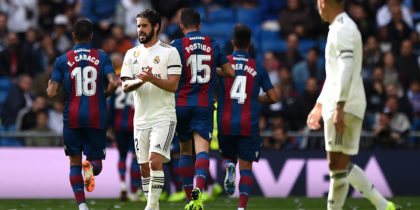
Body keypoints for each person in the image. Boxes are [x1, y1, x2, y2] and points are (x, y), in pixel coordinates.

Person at [306, 1, 399, 210]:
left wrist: (339, 106)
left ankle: (380, 205)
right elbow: (334, 75)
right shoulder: (338, 28)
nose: (317, 8)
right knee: (339, 165)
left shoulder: (343, 29)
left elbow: (347, 68)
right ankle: (383, 205)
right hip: (339, 103)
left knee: (337, 167)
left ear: (323, 3)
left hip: (344, 105)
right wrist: (319, 105)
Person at [46, 19, 119, 210]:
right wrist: (104, 96)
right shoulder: (102, 57)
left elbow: (52, 92)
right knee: (97, 164)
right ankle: (91, 167)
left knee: (74, 162)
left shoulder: (62, 60)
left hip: (73, 117)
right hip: (96, 115)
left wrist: (52, 86)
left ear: (73, 36)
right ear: (92, 36)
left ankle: (82, 206)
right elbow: (114, 82)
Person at [170, 8, 235, 209]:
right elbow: (230, 72)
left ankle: (190, 198)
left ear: (181, 26)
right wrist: (210, 72)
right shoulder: (212, 44)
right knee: (202, 151)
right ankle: (199, 194)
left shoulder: (175, 45)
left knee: (184, 151)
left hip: (180, 104)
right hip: (203, 104)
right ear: (200, 25)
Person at [120, 9, 182, 210]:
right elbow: (125, 86)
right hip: (141, 119)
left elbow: (173, 86)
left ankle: (151, 207)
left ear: (156, 26)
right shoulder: (132, 53)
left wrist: (151, 78)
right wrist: (140, 80)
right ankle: (153, 206)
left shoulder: (170, 52)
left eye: (144, 25)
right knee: (144, 167)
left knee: (155, 161)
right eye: (138, 26)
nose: (140, 30)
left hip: (163, 116)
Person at [217, 24, 277, 210]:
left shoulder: (223, 65)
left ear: (232, 42)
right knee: (246, 167)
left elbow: (211, 87)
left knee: (227, 157)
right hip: (248, 123)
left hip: (225, 121)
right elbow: (274, 97)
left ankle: (228, 165)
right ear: (250, 44)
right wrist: (256, 97)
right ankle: (241, 207)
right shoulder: (257, 68)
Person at [108, 53, 142, 202]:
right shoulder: (139, 79)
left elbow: (110, 105)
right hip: (136, 125)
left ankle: (123, 184)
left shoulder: (116, 80)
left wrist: (109, 126)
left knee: (122, 156)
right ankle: (134, 192)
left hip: (118, 125)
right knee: (135, 157)